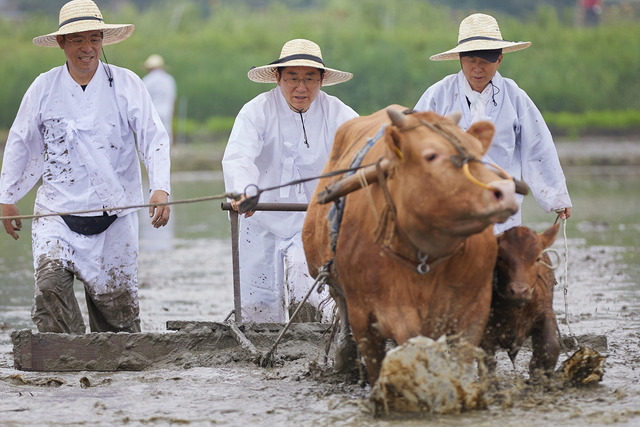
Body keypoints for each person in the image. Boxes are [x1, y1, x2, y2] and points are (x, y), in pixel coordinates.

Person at [0, 0, 171, 334]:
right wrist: (7, 195)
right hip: (56, 216)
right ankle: (66, 362)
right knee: (49, 289)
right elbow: (21, 140)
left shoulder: (127, 84)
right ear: (62, 43)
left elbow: (154, 136)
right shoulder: (43, 87)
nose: (87, 48)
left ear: (102, 42)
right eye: (77, 40)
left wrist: (160, 187)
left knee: (118, 324)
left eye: (94, 39)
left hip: (115, 219)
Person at [222, 38, 358, 323]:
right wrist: (243, 191)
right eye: (293, 78)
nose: (301, 87)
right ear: (277, 77)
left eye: (310, 78)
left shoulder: (337, 113)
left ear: (321, 79)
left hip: (312, 219)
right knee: (257, 304)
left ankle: (309, 342)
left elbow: (362, 146)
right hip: (259, 218)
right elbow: (239, 157)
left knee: (307, 282)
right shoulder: (256, 111)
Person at [414, 13, 572, 233]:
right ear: (460, 59)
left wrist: (556, 198)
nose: (478, 69)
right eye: (471, 61)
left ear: (499, 60)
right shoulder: (438, 95)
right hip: (452, 203)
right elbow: (415, 144)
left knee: (504, 259)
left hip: (502, 204)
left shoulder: (515, 96)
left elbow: (537, 146)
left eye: (485, 62)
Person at [143, 54, 177, 144]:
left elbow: (143, 99)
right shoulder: (169, 79)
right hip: (166, 110)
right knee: (166, 135)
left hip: (152, 112)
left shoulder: (147, 80)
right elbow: (172, 97)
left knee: (153, 137)